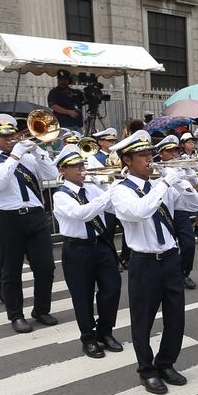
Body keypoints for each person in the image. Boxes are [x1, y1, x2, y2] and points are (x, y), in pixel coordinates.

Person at [110, 130, 198, 393]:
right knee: (143, 319)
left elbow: (195, 205)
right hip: (144, 262)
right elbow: (140, 212)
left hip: (170, 259)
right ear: (127, 160)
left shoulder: (158, 185)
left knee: (176, 317)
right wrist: (164, 184)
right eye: (142, 155)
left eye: (150, 153)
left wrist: (182, 181)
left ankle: (166, 363)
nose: (149, 159)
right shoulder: (120, 191)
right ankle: (146, 370)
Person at [0, 114, 58, 333]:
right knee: (11, 270)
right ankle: (16, 315)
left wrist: (37, 151)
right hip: (4, 219)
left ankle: (41, 309)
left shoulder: (27, 157)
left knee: (46, 267)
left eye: (12, 134)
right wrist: (14, 156)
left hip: (35, 216)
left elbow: (53, 174)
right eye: (3, 136)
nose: (10, 138)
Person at [50, 145, 123, 358]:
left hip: (101, 245)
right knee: (82, 296)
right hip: (77, 249)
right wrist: (107, 194)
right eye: (75, 166)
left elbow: (109, 208)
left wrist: (118, 189)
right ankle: (88, 338)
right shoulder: (60, 195)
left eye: (82, 164)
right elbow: (81, 213)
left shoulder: (91, 187)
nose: (81, 169)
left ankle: (105, 331)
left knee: (112, 289)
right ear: (63, 170)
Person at [155, 134, 198, 289]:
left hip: (181, 212)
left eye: (176, 150)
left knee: (188, 245)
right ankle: (166, 274)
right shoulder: (156, 169)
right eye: (170, 151)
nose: (174, 154)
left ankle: (184, 273)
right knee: (166, 248)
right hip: (164, 212)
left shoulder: (181, 166)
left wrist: (188, 169)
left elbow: (195, 183)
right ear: (161, 153)